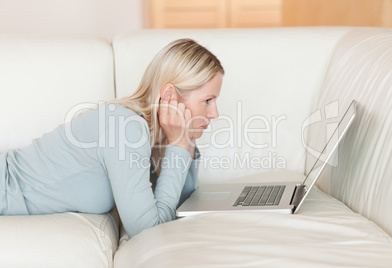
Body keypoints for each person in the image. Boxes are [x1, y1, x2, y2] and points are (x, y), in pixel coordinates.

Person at [0, 38, 224, 238]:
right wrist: (179, 144)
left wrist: (184, 142)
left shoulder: (147, 131)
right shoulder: (127, 128)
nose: (214, 113)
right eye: (207, 100)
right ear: (169, 96)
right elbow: (148, 228)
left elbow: (181, 201)